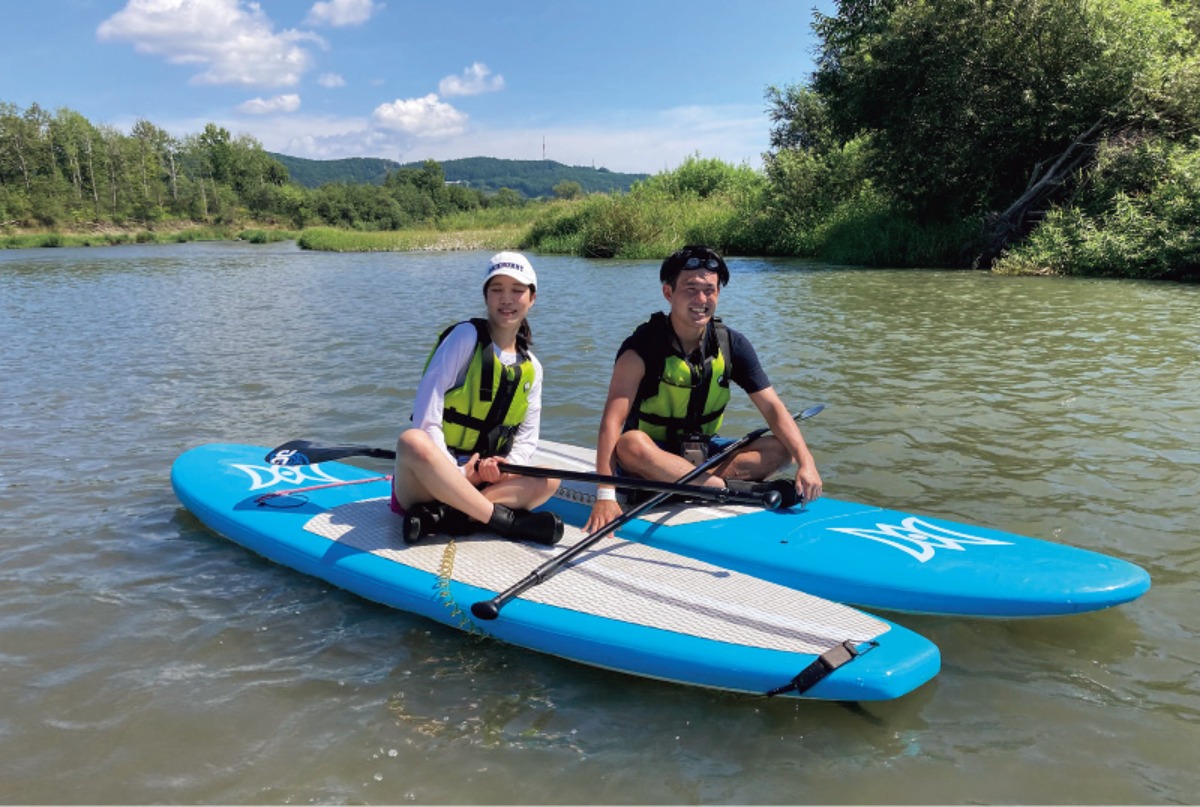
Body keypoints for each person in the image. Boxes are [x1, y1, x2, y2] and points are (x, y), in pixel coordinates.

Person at [584, 245, 823, 532]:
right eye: (691, 289)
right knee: (629, 444)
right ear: (668, 293)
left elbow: (773, 409)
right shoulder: (641, 348)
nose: (701, 299)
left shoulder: (733, 345)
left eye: (710, 290)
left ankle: (685, 484)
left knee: (784, 449)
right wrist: (605, 494)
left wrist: (806, 462)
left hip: (705, 453)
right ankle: (721, 489)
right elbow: (612, 422)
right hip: (652, 452)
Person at [391, 251, 563, 546]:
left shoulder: (532, 368)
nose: (506, 299)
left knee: (550, 477)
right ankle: (505, 522)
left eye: (517, 291)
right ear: (486, 297)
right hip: (432, 479)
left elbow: (526, 440)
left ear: (532, 298)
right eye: (497, 290)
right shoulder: (464, 337)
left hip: (484, 480)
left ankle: (445, 516)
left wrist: (504, 467)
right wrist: (458, 473)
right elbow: (426, 415)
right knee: (412, 441)